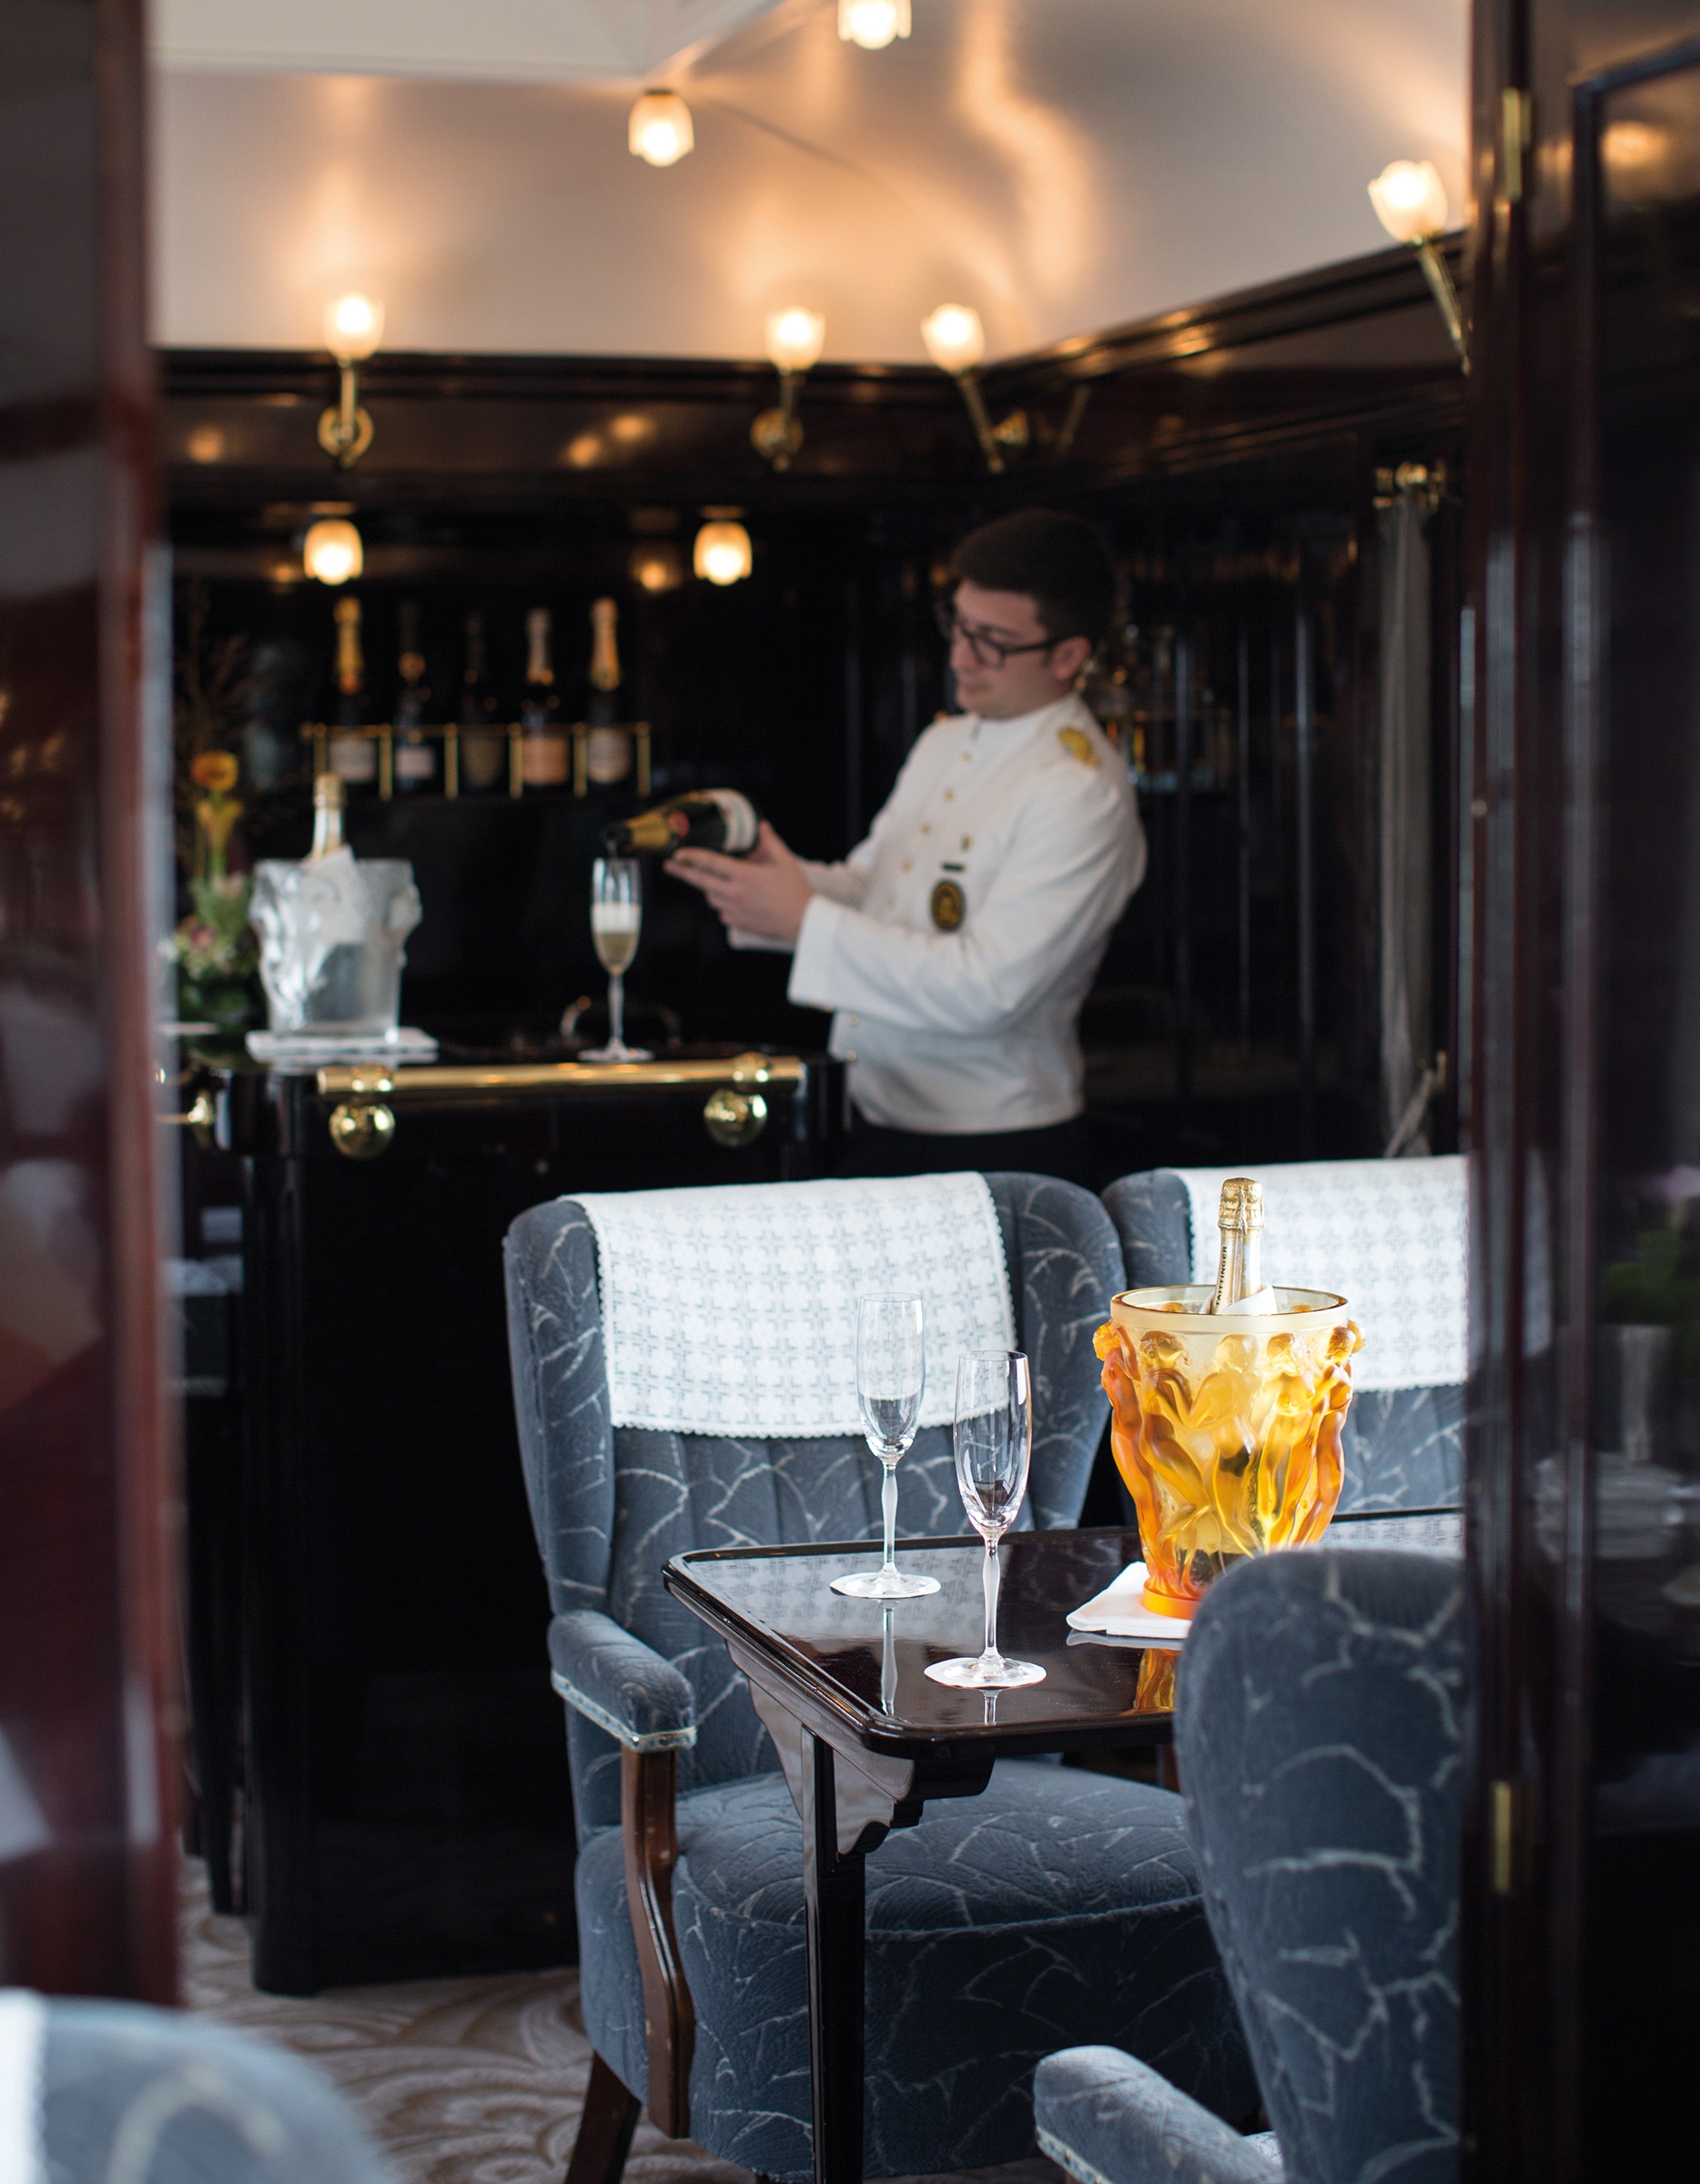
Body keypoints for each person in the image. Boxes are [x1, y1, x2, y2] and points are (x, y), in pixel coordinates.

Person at [671, 508, 1146, 1184]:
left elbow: (988, 988)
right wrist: (769, 881)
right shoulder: (943, 741)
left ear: (1069, 655)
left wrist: (804, 919)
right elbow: (877, 888)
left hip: (994, 1140)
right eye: (958, 625)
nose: (959, 657)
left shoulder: (1079, 790)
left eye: (993, 643)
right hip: (873, 1111)